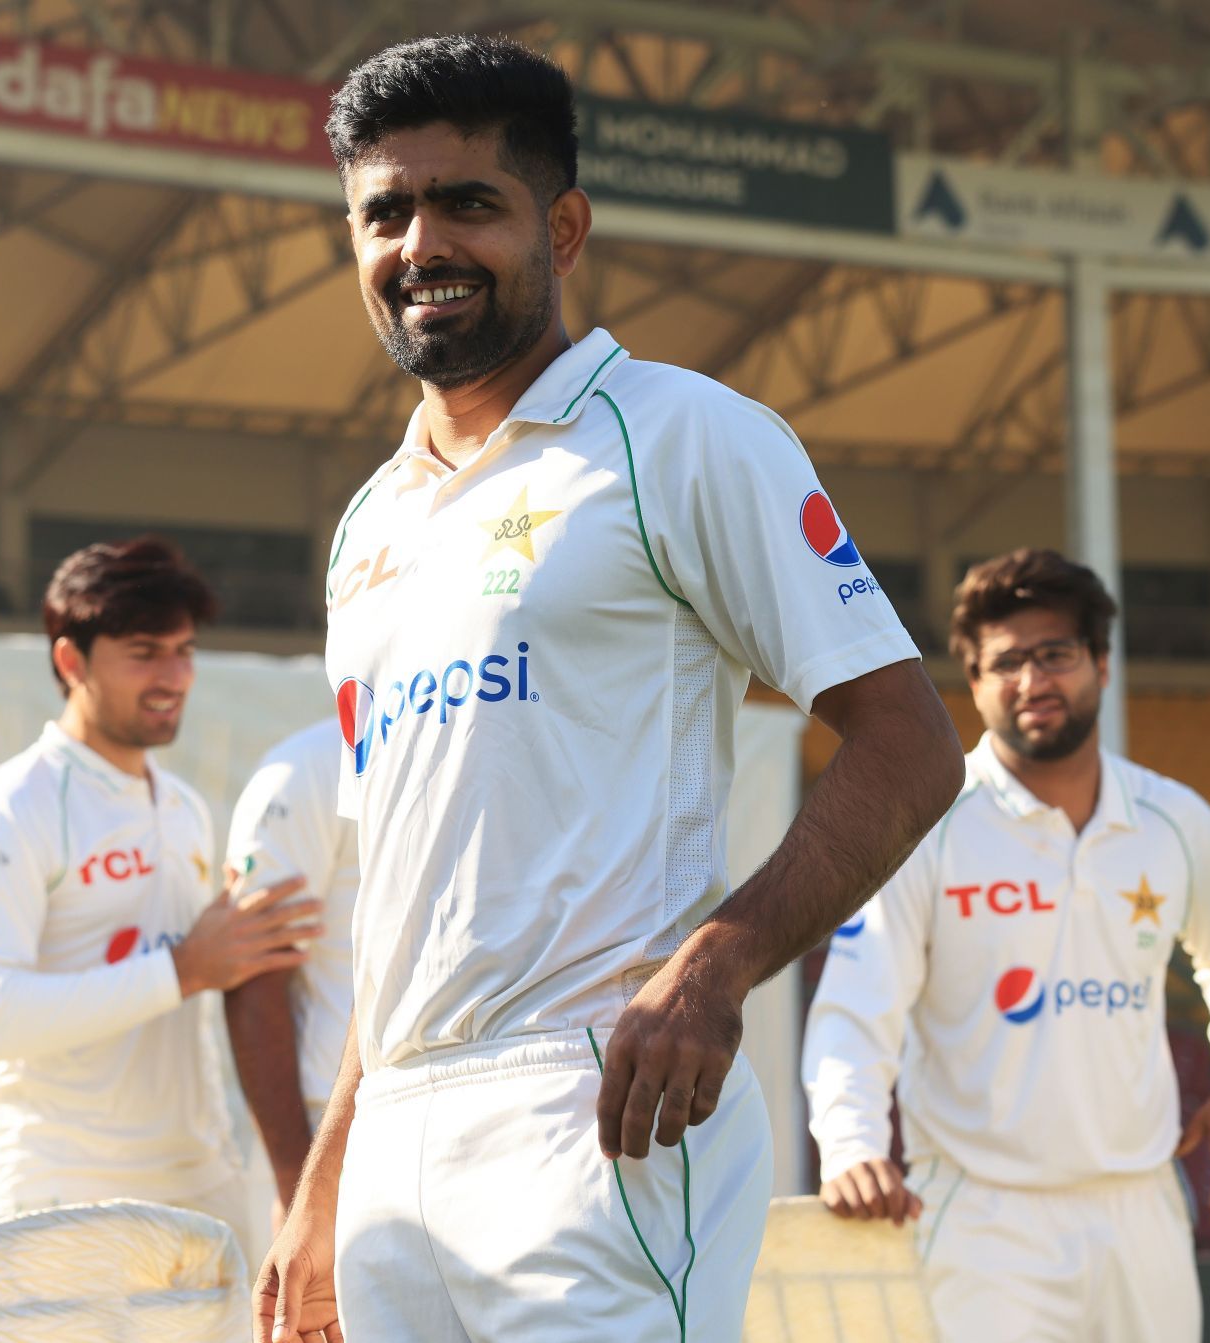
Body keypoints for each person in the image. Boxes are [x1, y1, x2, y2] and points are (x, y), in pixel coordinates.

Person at [256, 35, 966, 1343]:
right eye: (385, 212)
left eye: (470, 201)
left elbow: (911, 745)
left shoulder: (686, 434)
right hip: (399, 1140)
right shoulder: (369, 525)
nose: (422, 244)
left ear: (563, 225)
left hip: (596, 1105)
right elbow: (408, 878)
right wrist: (331, 1167)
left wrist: (719, 960)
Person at [802, 548, 1210, 1342]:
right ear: (975, 680)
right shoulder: (928, 825)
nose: (1033, 680)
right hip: (983, 1216)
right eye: (1007, 663)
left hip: (1141, 1206)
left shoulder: (1175, 819)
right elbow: (856, 1006)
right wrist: (851, 1143)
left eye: (1055, 654)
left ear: (1100, 662)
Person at [0, 536, 317, 1272]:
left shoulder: (186, 808)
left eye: (184, 650)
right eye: (144, 652)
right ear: (71, 661)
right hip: (54, 1197)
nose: (174, 676)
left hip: (193, 1194)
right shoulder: (13, 809)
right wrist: (181, 968)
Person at [222, 719, 359, 1220]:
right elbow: (255, 973)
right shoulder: (306, 767)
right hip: (327, 1133)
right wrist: (297, 1185)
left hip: (463, 1126)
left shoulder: (498, 743)